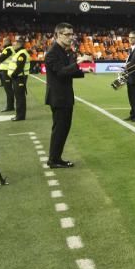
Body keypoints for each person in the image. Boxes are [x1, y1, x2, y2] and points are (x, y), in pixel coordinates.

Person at [44, 23, 91, 168]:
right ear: (58, 35)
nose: (71, 37)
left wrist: (83, 71)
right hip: (59, 97)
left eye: (72, 34)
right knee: (60, 129)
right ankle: (54, 160)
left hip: (64, 96)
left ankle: (56, 158)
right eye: (67, 34)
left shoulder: (63, 51)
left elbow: (67, 72)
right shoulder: (52, 53)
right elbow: (61, 72)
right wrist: (79, 62)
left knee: (63, 129)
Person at [6, 35, 30, 121]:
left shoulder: (22, 54)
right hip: (18, 77)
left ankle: (20, 116)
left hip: (19, 78)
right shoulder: (20, 53)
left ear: (19, 45)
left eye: (15, 45)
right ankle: (19, 115)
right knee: (19, 97)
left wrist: (13, 75)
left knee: (20, 98)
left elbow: (20, 67)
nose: (14, 46)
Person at [0, 37, 15, 112]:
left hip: (6, 70)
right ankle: (10, 105)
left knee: (8, 90)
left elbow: (1, 58)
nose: (2, 42)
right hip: (8, 70)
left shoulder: (8, 49)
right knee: (9, 89)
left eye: (3, 41)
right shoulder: (11, 48)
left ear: (7, 42)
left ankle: (10, 106)